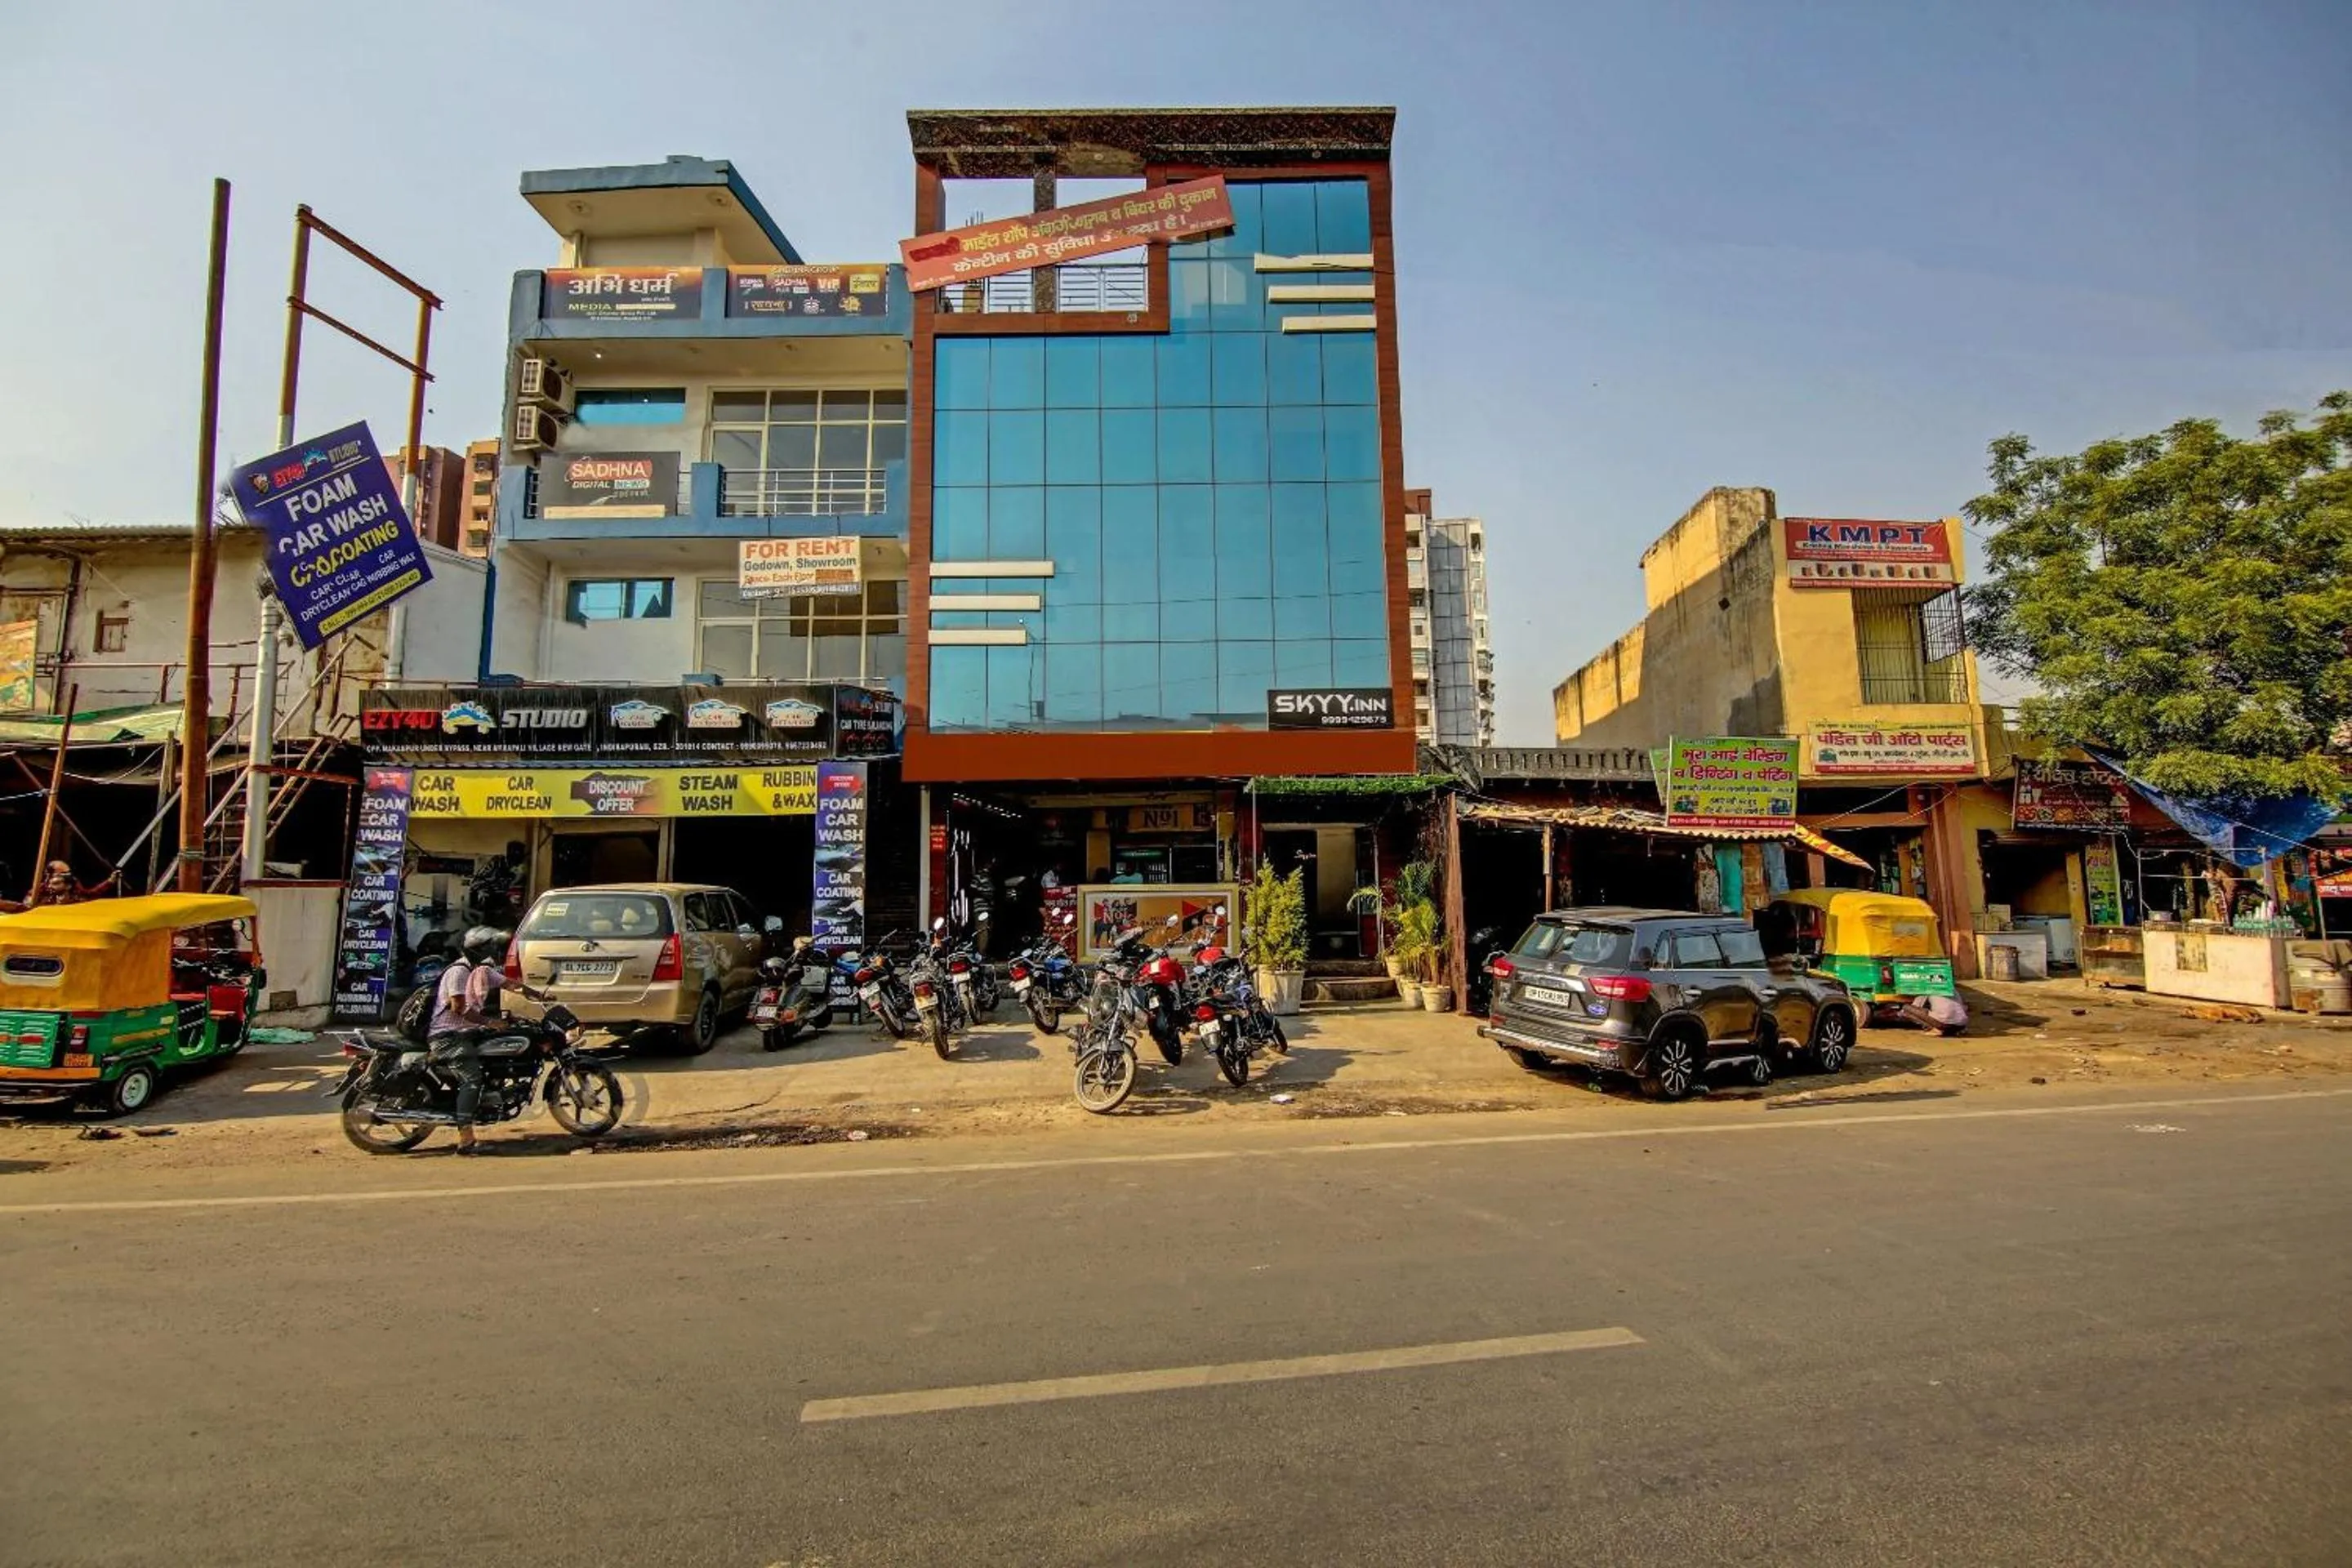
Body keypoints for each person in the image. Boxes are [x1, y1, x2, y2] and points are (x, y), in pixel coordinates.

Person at [427, 926, 507, 1154]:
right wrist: (490, 1023)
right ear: (478, 950)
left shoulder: (480, 971)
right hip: (447, 1037)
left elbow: (510, 984)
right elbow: (458, 1008)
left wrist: (542, 996)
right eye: (489, 947)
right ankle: (466, 1139)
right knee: (472, 1079)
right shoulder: (459, 972)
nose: (493, 951)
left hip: (465, 1032)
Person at [1897, 991, 1969, 1036]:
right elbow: (1963, 1007)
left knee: (1907, 1008)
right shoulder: (1953, 990)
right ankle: (1958, 1030)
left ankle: (1935, 1029)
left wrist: (1899, 1013)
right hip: (1962, 1024)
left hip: (1944, 1024)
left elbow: (1916, 1006)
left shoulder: (1928, 989)